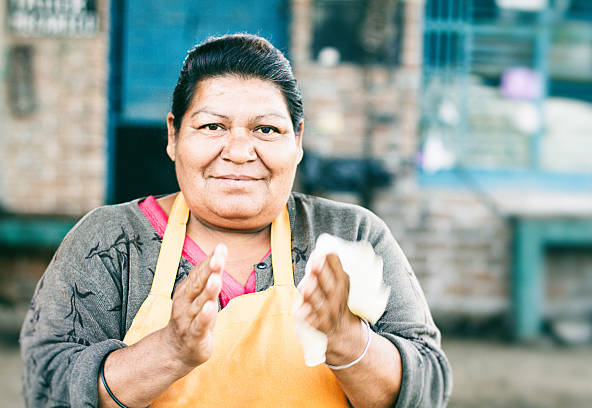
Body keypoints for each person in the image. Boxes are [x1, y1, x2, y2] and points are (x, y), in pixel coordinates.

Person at [20, 34, 452, 407]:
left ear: (297, 139)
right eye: (212, 127)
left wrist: (346, 339)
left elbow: (428, 391)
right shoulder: (108, 243)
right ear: (173, 135)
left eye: (266, 130)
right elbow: (47, 386)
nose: (240, 152)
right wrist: (169, 351)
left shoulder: (352, 236)